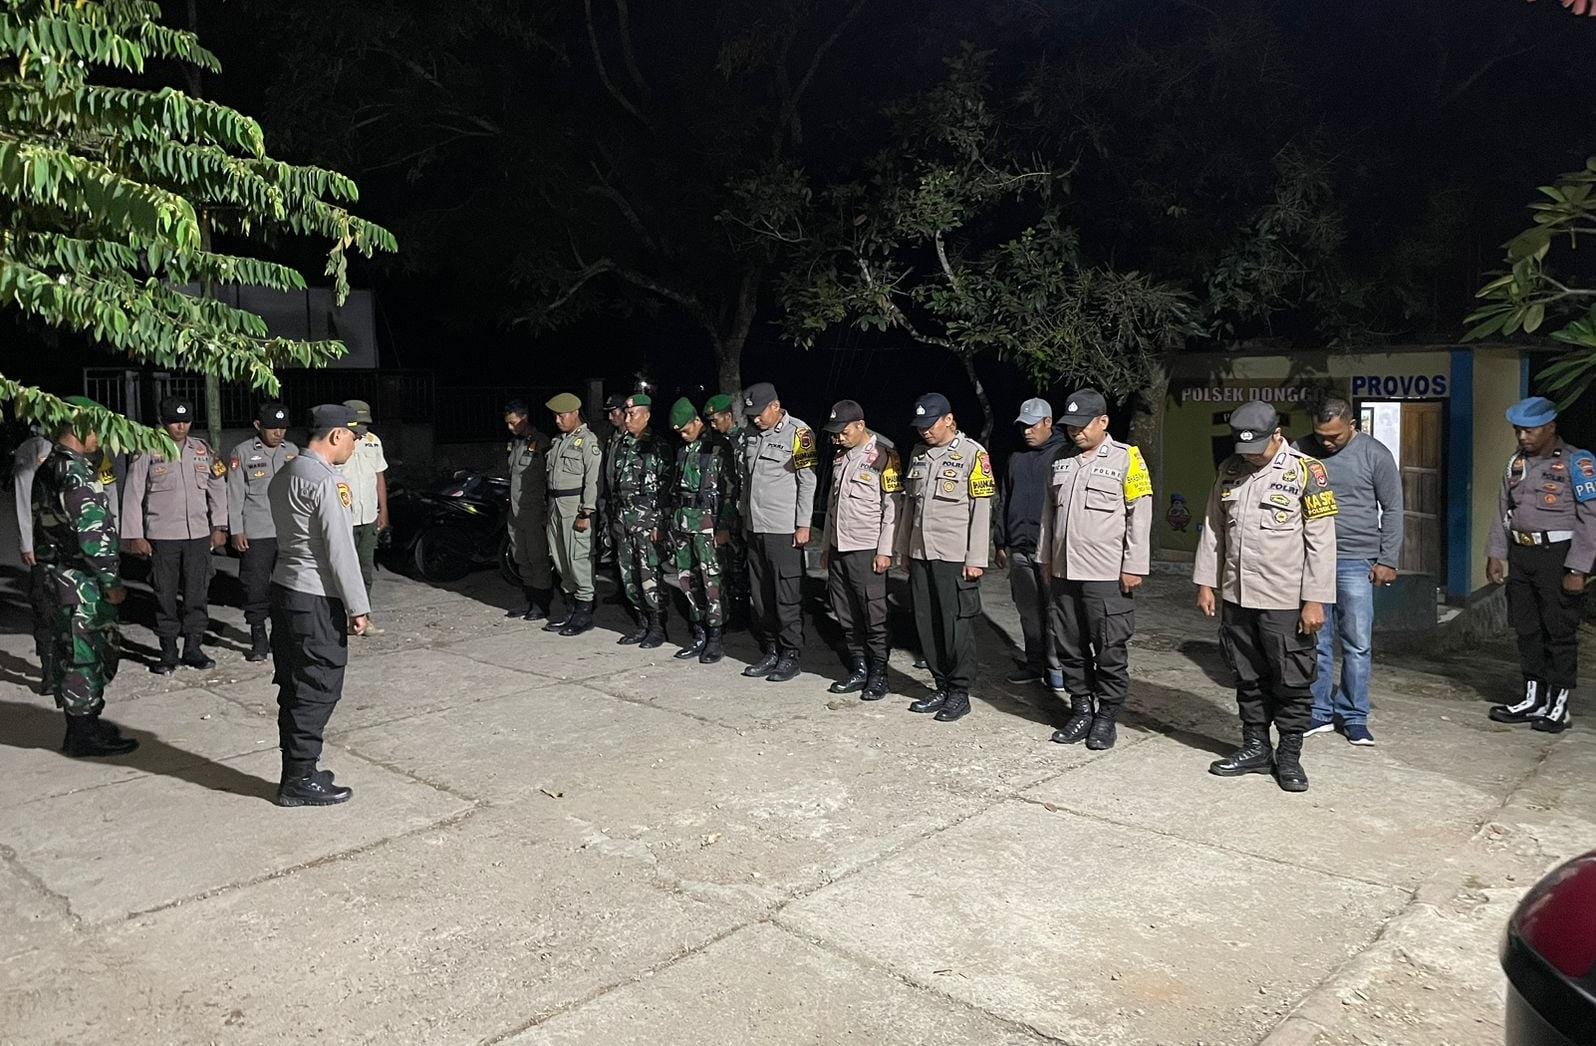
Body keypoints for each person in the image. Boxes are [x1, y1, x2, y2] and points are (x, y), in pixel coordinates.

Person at [1194, 400, 1337, 792]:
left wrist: (1315, 600)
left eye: (1257, 447)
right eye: (1244, 448)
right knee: (1247, 676)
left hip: (1285, 599)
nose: (1251, 455)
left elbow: (1321, 541)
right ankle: (1255, 748)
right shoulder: (1230, 470)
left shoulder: (1307, 471)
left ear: (1277, 434)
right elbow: (1213, 528)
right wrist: (1206, 582)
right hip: (1238, 595)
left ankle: (1289, 756)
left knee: (1291, 680)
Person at [1037, 389, 1153, 751]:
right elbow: (1048, 513)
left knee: (1109, 649)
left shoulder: (1127, 458)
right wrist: (1045, 558)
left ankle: (1106, 717)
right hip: (1064, 571)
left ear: (1103, 422)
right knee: (1069, 646)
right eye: (1070, 426)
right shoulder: (1060, 459)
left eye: (1082, 425)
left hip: (1106, 573)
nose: (1076, 432)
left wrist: (1134, 565)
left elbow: (1139, 514)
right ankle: (1081, 711)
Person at [268, 404, 370, 807]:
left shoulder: (287, 472)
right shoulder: (327, 481)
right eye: (353, 437)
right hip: (315, 597)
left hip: (285, 589)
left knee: (294, 684)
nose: (354, 444)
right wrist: (357, 605)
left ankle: (298, 770)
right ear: (335, 435)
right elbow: (340, 550)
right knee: (318, 686)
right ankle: (299, 778)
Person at [31, 398, 138, 756]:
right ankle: (82, 735)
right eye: (96, 430)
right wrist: (111, 582)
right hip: (79, 581)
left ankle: (86, 723)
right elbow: (93, 537)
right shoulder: (74, 472)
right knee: (84, 655)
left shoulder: (52, 465)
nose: (100, 438)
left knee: (73, 651)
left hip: (57, 576)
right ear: (79, 428)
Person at [1295, 397, 1404, 745]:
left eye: (1335, 436)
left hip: (1357, 560)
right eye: (1321, 435)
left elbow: (1393, 508)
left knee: (1357, 643)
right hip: (1312, 559)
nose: (1327, 442)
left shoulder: (1375, 454)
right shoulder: (1301, 451)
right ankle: (1319, 710)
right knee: (1316, 639)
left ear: (1352, 425)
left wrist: (1388, 559)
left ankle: (1354, 715)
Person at [1486, 396, 1596, 733]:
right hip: (1522, 554)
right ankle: (1533, 698)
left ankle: (1558, 705)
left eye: (1530, 431)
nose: (1522, 437)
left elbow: (1590, 519)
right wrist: (1496, 553)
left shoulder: (1578, 462)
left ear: (1550, 428)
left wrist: (1578, 568)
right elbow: (1504, 509)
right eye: (1518, 430)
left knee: (1558, 631)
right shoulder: (1516, 463)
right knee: (1527, 629)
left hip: (1558, 556)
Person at [896, 393, 995, 722]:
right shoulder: (918, 454)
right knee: (926, 623)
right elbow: (910, 506)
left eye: (930, 424)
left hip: (954, 555)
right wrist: (904, 549)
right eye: (920, 426)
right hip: (920, 551)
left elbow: (981, 509)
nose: (924, 431)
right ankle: (940, 685)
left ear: (949, 420)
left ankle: (959, 692)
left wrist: (976, 558)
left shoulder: (973, 454)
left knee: (956, 627)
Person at [121, 395, 226, 673]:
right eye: (174, 422)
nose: (181, 427)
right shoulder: (147, 449)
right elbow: (133, 493)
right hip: (163, 535)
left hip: (198, 535)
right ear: (162, 422)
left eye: (186, 421)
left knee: (197, 594)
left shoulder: (202, 449)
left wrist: (220, 526)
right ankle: (168, 652)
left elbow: (217, 488)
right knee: (164, 596)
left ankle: (193, 648)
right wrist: (135, 535)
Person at [820, 399, 901, 700]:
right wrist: (826, 545)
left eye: (843, 432)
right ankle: (859, 668)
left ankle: (879, 675)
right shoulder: (840, 457)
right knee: (845, 612)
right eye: (835, 433)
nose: (838, 438)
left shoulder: (884, 455)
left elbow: (892, 508)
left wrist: (885, 551)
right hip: (839, 547)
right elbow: (832, 505)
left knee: (873, 614)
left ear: (860, 426)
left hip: (867, 549)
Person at [737, 382, 818, 682]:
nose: (756, 419)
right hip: (754, 527)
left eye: (760, 413)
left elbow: (807, 481)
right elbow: (747, 481)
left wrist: (803, 524)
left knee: (786, 595)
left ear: (775, 405)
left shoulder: (799, 433)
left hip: (783, 529)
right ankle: (771, 650)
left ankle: (790, 654)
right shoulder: (750, 435)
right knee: (761, 596)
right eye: (752, 415)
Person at [994, 397, 1070, 691]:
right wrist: (1000, 542)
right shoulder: (1017, 459)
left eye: (1032, 425)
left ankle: (1058, 669)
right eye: (1022, 426)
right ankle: (1034, 664)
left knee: (1054, 611)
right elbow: (1005, 500)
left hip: (1049, 551)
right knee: (1028, 612)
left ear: (1048, 422)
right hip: (1019, 549)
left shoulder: (1063, 455)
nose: (1026, 431)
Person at [665, 397, 740, 663]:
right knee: (687, 580)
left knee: (712, 582)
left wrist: (724, 526)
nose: (683, 435)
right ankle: (698, 634)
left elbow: (730, 492)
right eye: (679, 433)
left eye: (686, 430)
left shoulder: (718, 447)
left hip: (708, 525)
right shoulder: (682, 449)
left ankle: (715, 638)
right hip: (683, 524)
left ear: (697, 421)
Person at [227, 403, 299, 662]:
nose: (279, 433)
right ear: (258, 426)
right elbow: (234, 494)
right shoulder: (243, 452)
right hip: (257, 531)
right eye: (272, 428)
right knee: (255, 587)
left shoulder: (292, 452)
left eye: (283, 428)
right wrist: (236, 529)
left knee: (287, 586)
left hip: (288, 531)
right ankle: (258, 634)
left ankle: (283, 635)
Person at [609, 393, 669, 647]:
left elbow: (666, 489)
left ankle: (657, 627)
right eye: (626, 413)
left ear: (646, 416)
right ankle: (642, 623)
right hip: (624, 520)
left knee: (649, 575)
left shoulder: (657, 445)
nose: (627, 418)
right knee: (629, 575)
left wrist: (660, 524)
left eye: (632, 414)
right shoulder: (623, 443)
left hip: (647, 523)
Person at [543, 392, 603, 636]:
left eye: (562, 415)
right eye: (555, 416)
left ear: (575, 413)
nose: (558, 420)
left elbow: (593, 480)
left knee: (578, 559)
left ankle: (584, 613)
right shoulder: (558, 442)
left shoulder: (588, 441)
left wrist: (586, 512)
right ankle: (571, 608)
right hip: (555, 507)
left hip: (575, 508)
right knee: (559, 559)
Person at [336, 398, 388, 634]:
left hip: (368, 517)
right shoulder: (336, 442)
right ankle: (341, 618)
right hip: (343, 519)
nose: (363, 429)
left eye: (365, 424)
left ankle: (363, 618)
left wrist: (383, 510)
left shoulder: (373, 441)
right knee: (342, 572)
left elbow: (379, 477)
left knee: (365, 571)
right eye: (359, 424)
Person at [502, 399, 554, 622]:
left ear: (525, 418)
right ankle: (530, 599)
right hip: (515, 511)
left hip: (534, 511)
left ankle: (541, 604)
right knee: (520, 557)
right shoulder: (514, 444)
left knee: (537, 558)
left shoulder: (541, 442)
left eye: (513, 422)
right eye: (507, 423)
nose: (510, 427)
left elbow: (550, 477)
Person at [14, 426, 58, 688]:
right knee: (45, 608)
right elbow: (23, 494)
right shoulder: (33, 448)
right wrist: (26, 542)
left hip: (78, 542)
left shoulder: (88, 443)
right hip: (45, 542)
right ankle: (50, 671)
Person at [704, 392, 751, 628]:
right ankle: (732, 612)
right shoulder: (716, 443)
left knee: (739, 566)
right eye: (710, 421)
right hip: (722, 511)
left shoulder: (744, 441)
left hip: (739, 513)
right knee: (728, 566)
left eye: (716, 420)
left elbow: (738, 486)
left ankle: (743, 615)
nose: (713, 425)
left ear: (729, 416)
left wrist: (727, 522)